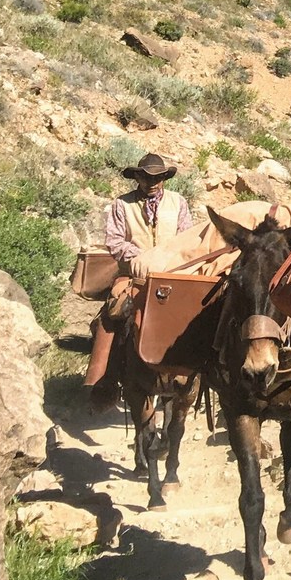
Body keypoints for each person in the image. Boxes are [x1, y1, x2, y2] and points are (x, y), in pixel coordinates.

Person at [86, 154, 195, 409]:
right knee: (112, 313)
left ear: (165, 178)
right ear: (137, 177)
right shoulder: (122, 204)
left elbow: (187, 237)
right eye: (146, 177)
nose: (152, 183)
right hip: (134, 275)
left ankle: (205, 374)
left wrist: (167, 258)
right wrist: (141, 257)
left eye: (158, 178)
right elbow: (114, 241)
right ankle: (104, 381)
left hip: (171, 275)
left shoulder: (178, 202)